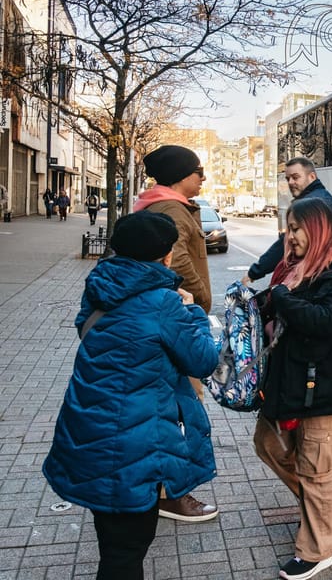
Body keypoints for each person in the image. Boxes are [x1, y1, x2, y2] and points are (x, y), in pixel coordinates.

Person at [42, 211, 219, 580]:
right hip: (134, 447)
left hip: (90, 433)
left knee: (113, 543)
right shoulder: (164, 304)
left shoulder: (101, 285)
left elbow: (91, 333)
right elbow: (203, 359)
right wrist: (191, 312)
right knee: (126, 554)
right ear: (166, 256)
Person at [253, 197, 332, 579]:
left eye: (296, 228)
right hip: (290, 381)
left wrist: (282, 298)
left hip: (323, 385)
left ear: (317, 229)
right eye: (288, 228)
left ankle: (320, 548)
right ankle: (321, 504)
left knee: (317, 469)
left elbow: (325, 320)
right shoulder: (300, 267)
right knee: (268, 443)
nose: (289, 237)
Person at [133, 145, 217, 522]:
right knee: (182, 412)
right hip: (173, 321)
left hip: (160, 322)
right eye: (198, 171)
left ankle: (160, 488)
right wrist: (198, 297)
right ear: (181, 174)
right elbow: (178, 259)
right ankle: (172, 494)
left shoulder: (162, 205)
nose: (203, 177)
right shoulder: (171, 209)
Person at [242, 157, 332, 287]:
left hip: (319, 275)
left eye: (295, 177)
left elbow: (283, 245)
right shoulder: (321, 199)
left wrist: (254, 272)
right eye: (288, 179)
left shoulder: (313, 205)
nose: (290, 182)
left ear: (312, 177)